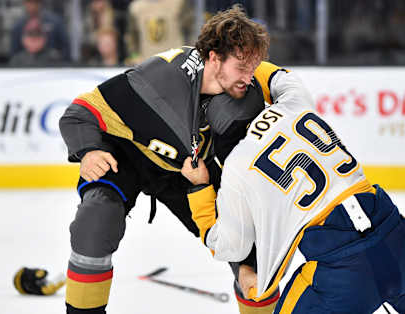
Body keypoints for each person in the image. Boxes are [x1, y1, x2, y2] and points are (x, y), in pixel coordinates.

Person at [56, 5, 311, 314]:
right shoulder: (154, 82)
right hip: (129, 155)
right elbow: (78, 113)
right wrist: (89, 150)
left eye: (253, 67)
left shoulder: (237, 81)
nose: (249, 76)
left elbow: (263, 75)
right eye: (242, 67)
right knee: (95, 222)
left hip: (189, 169)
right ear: (214, 58)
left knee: (253, 253)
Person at [181, 78, 405, 313]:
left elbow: (227, 247)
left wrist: (199, 187)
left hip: (342, 278)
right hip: (402, 242)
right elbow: (279, 75)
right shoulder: (296, 105)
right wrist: (243, 69)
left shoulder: (236, 167)